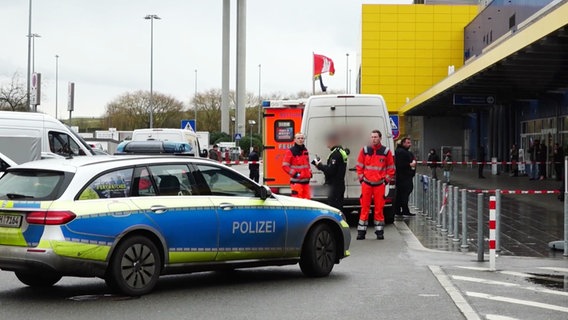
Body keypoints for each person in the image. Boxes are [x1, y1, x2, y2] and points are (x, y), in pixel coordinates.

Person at [355, 129, 395, 240]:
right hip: (367, 184)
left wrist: (385, 181)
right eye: (372, 137)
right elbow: (359, 166)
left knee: (379, 209)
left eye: (376, 137)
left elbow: (391, 168)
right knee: (364, 208)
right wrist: (362, 179)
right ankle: (361, 232)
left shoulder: (386, 152)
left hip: (379, 185)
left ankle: (379, 232)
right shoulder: (365, 150)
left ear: (380, 138)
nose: (374, 139)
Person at [312, 132, 348, 211]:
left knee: (334, 209)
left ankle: (337, 223)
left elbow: (331, 171)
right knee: (338, 207)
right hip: (339, 184)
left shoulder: (336, 154)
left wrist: (319, 165)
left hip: (335, 186)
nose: (327, 143)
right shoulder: (340, 151)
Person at [282, 132, 312, 199]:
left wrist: (310, 173)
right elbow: (285, 166)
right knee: (298, 201)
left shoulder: (305, 150)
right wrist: (296, 174)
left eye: (302, 138)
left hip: (306, 182)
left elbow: (307, 164)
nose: (300, 140)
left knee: (308, 202)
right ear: (295, 140)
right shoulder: (290, 151)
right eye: (298, 138)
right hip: (296, 182)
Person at [394, 137, 416, 219]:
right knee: (404, 194)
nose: (409, 144)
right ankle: (404, 210)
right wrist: (410, 165)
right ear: (403, 143)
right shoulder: (401, 152)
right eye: (408, 143)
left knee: (401, 194)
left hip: (404, 177)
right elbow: (400, 165)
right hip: (403, 177)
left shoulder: (404, 152)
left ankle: (399, 210)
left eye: (410, 143)